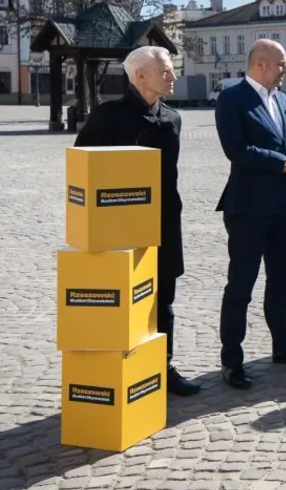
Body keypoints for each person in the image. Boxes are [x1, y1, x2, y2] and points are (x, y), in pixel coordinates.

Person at [74, 45, 201, 396]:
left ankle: (163, 367)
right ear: (141, 76)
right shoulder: (106, 117)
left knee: (164, 299)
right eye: (166, 70)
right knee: (123, 300)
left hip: (164, 224)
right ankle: (122, 368)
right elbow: (82, 171)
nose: (173, 75)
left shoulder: (173, 118)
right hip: (119, 229)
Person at [214, 39, 286, 390]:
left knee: (283, 279)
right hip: (247, 207)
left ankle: (283, 345)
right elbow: (237, 149)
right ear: (261, 64)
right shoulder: (232, 99)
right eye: (282, 64)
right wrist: (283, 162)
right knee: (241, 284)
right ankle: (232, 359)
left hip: (282, 206)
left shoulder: (284, 100)